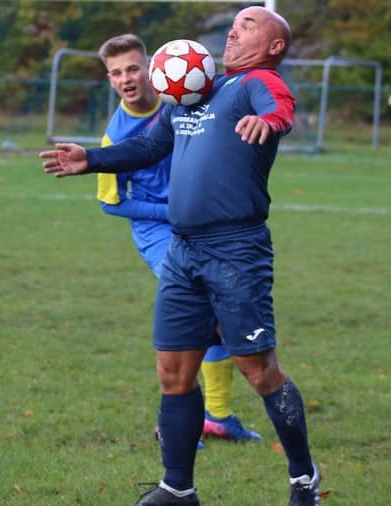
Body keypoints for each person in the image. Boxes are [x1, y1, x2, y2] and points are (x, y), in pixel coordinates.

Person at [40, 7, 319, 506]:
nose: (234, 30)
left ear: (274, 46)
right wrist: (92, 159)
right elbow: (148, 148)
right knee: (173, 372)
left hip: (235, 250)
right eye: (234, 24)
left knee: (259, 370)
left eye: (249, 25)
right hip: (182, 251)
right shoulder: (191, 93)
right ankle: (178, 489)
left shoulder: (256, 84)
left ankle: (303, 478)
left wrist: (269, 122)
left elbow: (281, 107)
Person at [95, 33, 261, 443]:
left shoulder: (183, 104)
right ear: (110, 80)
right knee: (197, 313)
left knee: (221, 315)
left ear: (150, 67)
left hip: (202, 225)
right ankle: (171, 422)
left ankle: (217, 417)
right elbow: (111, 203)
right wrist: (169, 211)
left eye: (132, 68)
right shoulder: (115, 135)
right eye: (115, 73)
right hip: (158, 235)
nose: (125, 79)